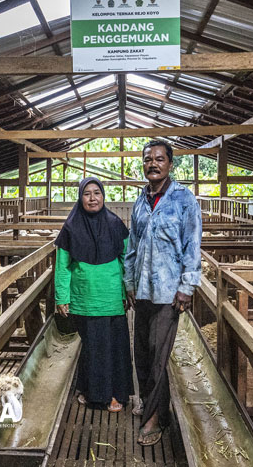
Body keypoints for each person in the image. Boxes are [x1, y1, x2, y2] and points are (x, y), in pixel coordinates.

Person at [124, 140, 202, 446]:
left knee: (158, 355)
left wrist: (187, 287)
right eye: (147, 160)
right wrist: (129, 284)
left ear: (170, 164)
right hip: (142, 291)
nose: (152, 164)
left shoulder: (184, 199)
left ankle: (154, 418)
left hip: (169, 293)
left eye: (159, 159)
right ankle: (152, 403)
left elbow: (192, 246)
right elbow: (132, 247)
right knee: (141, 352)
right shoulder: (140, 202)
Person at [54, 177, 133, 413]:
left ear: (103, 196)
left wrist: (128, 289)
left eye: (96, 193)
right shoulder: (70, 227)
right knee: (92, 347)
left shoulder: (115, 224)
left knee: (115, 346)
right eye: (86, 194)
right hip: (84, 298)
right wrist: (61, 296)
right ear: (80, 197)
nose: (92, 198)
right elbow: (63, 265)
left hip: (111, 298)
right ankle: (94, 393)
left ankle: (116, 394)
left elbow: (126, 259)